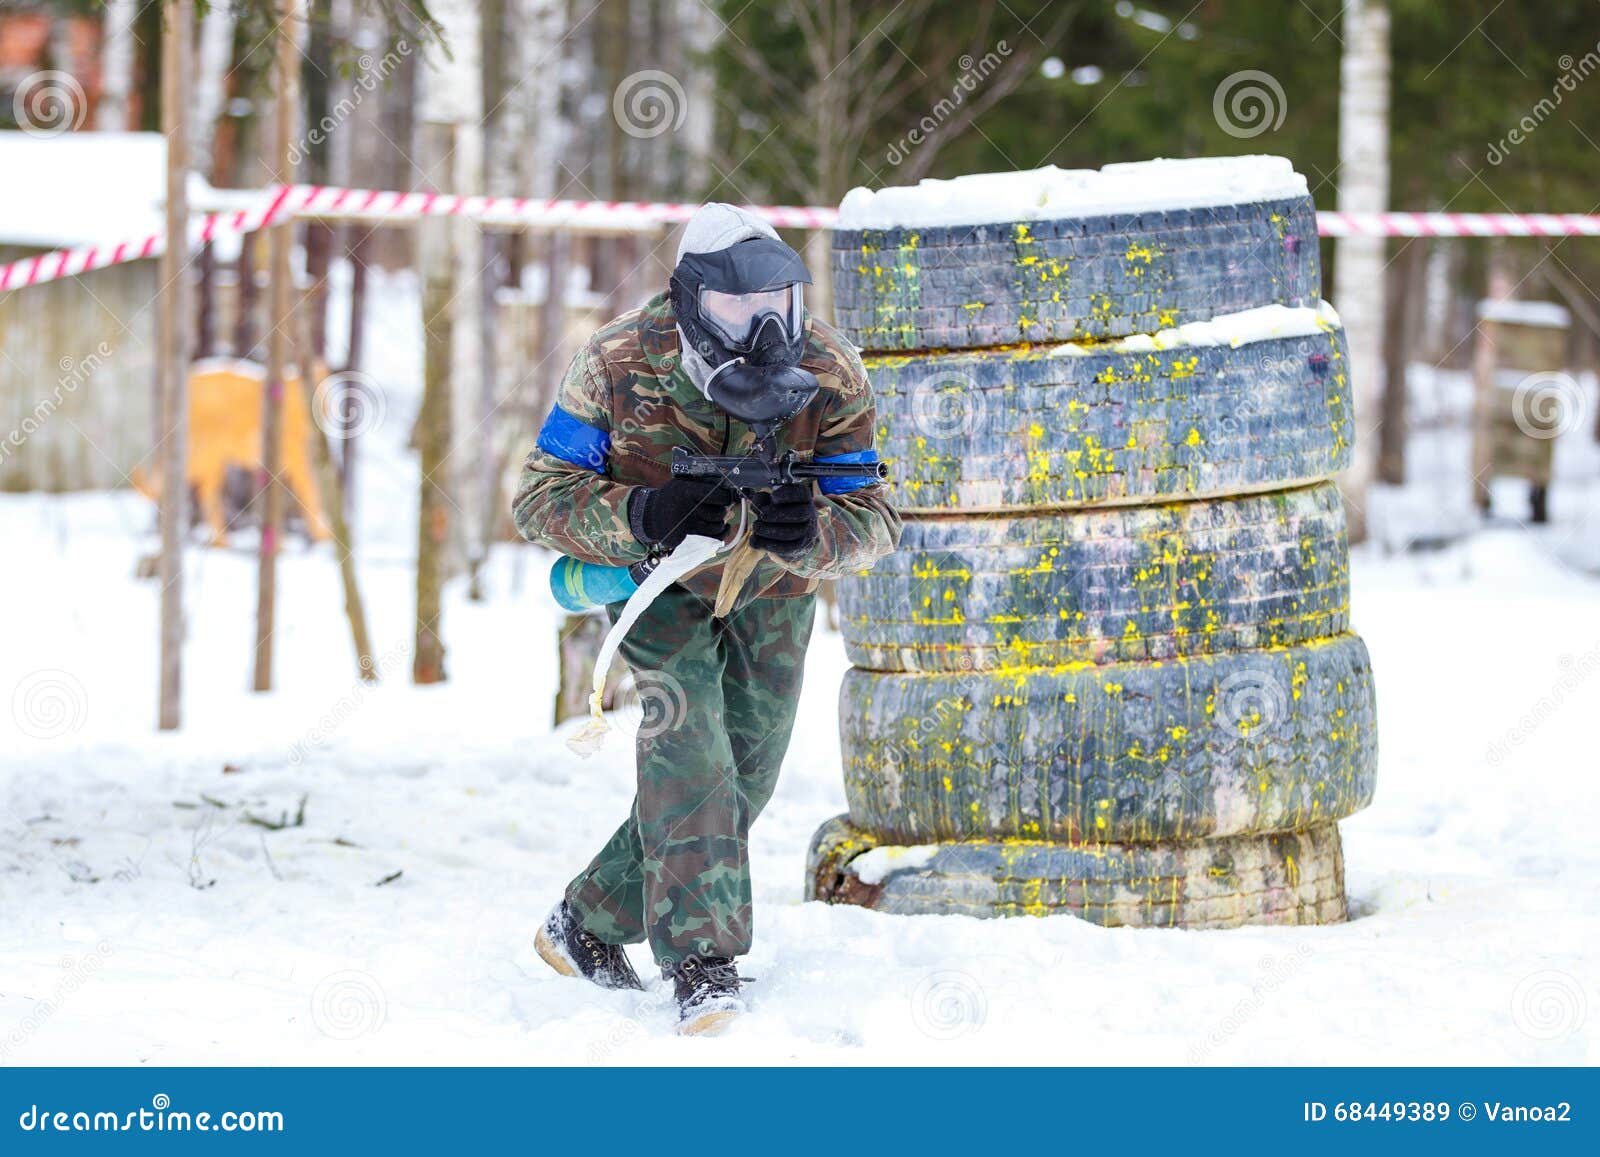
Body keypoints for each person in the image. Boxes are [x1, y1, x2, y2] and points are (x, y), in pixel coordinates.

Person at [512, 203, 900, 1034]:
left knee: (747, 774)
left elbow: (874, 518)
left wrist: (813, 531)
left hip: (772, 588)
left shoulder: (829, 370)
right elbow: (540, 498)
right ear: (690, 301)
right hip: (654, 584)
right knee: (690, 746)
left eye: (778, 308)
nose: (763, 329)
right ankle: (702, 963)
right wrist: (642, 512)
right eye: (735, 309)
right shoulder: (618, 361)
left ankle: (584, 921)